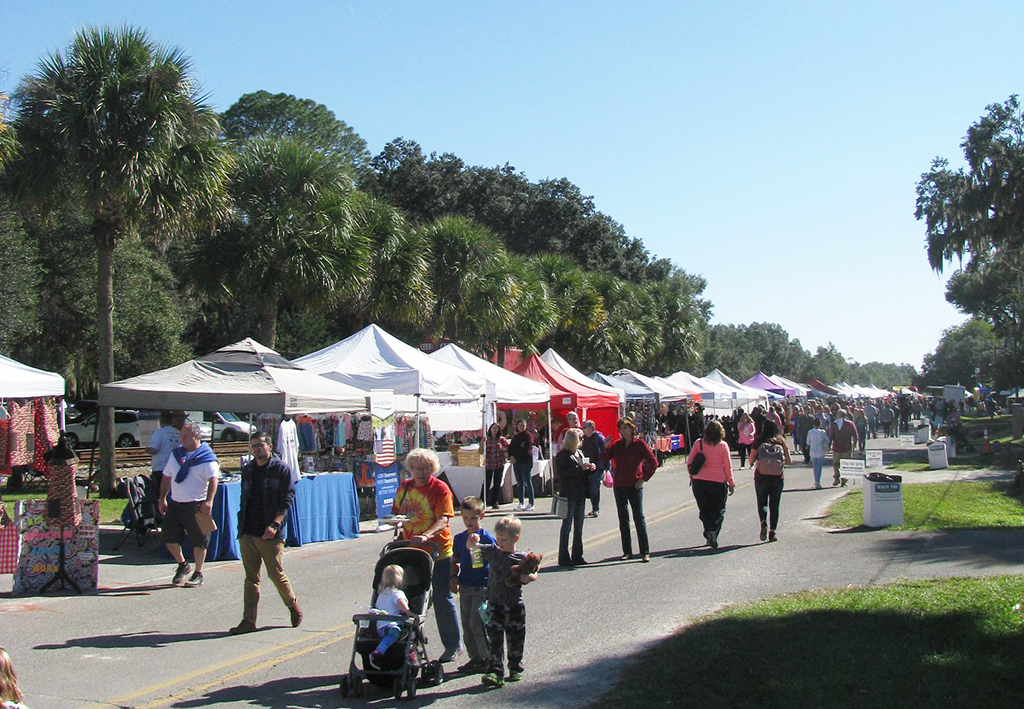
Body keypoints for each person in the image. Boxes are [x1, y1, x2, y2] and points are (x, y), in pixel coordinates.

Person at [392, 448, 462, 662]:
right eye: (417, 468)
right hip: (412, 552)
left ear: (432, 469)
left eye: (426, 468)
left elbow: (443, 520)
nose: (421, 472)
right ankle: (410, 645)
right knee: (411, 599)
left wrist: (426, 535)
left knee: (442, 598)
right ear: (410, 468)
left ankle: (453, 646)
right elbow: (398, 516)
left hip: (437, 551)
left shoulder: (440, 489)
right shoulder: (405, 487)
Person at [229, 432, 302, 635]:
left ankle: (293, 606)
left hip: (270, 532)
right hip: (248, 531)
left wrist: (275, 524)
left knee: (275, 574)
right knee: (251, 578)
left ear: (270, 446)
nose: (257, 450)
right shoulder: (249, 470)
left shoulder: (281, 469)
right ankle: (248, 620)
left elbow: (287, 498)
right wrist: (241, 529)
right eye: (253, 446)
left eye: (260, 445)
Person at [468, 515, 538, 688]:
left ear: (515, 538)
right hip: (495, 604)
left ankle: (515, 667)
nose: (500, 542)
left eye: (504, 539)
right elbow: (473, 548)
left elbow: (535, 570)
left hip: (514, 604)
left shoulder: (521, 557)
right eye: (498, 538)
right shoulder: (493, 551)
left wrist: (528, 577)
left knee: (516, 637)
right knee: (495, 638)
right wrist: (472, 541)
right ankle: (495, 671)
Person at [157, 421, 218, 588]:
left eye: (185, 436)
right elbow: (166, 477)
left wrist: (209, 501)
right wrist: (162, 498)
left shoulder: (207, 457)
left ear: (196, 436)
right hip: (176, 504)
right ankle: (183, 564)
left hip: (196, 505)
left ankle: (198, 572)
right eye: (181, 435)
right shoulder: (176, 455)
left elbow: (213, 480)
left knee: (200, 541)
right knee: (169, 538)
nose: (181, 439)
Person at [602, 414, 658, 563]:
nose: (623, 431)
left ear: (632, 429)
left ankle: (645, 551)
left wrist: (644, 478)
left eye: (625, 428)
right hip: (620, 485)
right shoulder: (618, 445)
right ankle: (627, 551)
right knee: (623, 519)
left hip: (634, 485)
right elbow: (604, 459)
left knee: (639, 518)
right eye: (621, 429)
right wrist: (606, 447)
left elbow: (653, 462)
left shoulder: (639, 444)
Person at [451, 496, 496, 674]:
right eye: (466, 518)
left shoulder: (487, 537)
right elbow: (455, 560)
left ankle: (488, 657)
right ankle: (475, 658)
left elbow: (495, 558)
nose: (469, 522)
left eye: (473, 518)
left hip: (482, 586)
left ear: (481, 516)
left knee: (477, 622)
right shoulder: (460, 538)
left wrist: (477, 548)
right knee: (467, 624)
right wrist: (453, 577)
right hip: (466, 585)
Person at [686, 419, 735, 548]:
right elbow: (727, 466)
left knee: (704, 509)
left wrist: (692, 475)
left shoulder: (699, 443)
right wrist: (731, 482)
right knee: (718, 509)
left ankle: (709, 530)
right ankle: (712, 531)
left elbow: (689, 462)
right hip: (718, 482)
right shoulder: (723, 446)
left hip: (699, 481)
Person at [554, 428, 596, 568]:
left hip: (580, 493)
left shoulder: (580, 453)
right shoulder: (562, 456)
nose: (582, 441)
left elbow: (583, 474)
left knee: (579, 525)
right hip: (568, 494)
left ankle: (577, 555)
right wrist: (580, 469)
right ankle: (563, 556)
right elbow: (563, 473)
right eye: (580, 438)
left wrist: (590, 469)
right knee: (566, 525)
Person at [748, 419, 791, 543]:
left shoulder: (759, 442)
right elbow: (789, 461)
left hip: (761, 477)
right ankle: (773, 531)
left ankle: (763, 522)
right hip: (777, 478)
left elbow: (751, 459)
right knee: (774, 505)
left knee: (762, 503)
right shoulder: (781, 441)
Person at [366, 564, 411, 669]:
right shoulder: (398, 594)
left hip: (380, 627)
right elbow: (402, 605)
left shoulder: (381, 593)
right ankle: (378, 652)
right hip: (390, 625)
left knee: (393, 631)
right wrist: (410, 613)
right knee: (395, 632)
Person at [145, 410, 184, 494]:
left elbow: (154, 450)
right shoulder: (179, 433)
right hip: (176, 468)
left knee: (160, 494)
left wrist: (146, 450)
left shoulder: (159, 432)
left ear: (160, 421)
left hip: (161, 468)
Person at [506, 419, 535, 512]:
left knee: (527, 482)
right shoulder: (516, 436)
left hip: (525, 462)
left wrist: (516, 457)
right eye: (520, 425)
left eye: (523, 425)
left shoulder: (528, 436)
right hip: (516, 463)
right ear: (517, 427)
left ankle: (531, 503)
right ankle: (521, 502)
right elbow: (511, 447)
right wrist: (511, 456)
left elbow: (526, 449)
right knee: (519, 483)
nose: (522, 427)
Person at [580, 420, 607, 517]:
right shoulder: (582, 438)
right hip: (585, 466)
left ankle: (596, 509)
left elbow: (605, 453)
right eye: (583, 427)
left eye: (585, 427)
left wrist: (606, 468)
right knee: (585, 488)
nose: (583, 429)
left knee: (594, 488)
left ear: (591, 427)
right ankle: (581, 510)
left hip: (598, 466)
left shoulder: (599, 438)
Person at [828, 409, 858, 486]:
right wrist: (854, 443)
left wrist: (829, 445)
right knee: (846, 464)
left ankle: (837, 478)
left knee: (836, 463)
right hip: (847, 447)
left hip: (837, 447)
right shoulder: (850, 424)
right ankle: (844, 480)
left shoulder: (834, 424)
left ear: (838, 415)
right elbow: (855, 435)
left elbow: (831, 436)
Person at [483, 423, 508, 509]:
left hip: (499, 463)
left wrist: (507, 454)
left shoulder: (501, 439)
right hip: (489, 464)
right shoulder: (486, 440)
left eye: (497, 428)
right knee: (486, 483)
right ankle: (483, 501)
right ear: (490, 429)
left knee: (497, 483)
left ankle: (495, 502)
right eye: (493, 428)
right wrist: (482, 443)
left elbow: (508, 448)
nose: (495, 430)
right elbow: (480, 452)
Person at [806, 417, 830, 489]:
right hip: (821, 452)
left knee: (815, 468)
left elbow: (808, 442)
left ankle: (816, 481)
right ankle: (817, 481)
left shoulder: (810, 432)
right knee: (819, 467)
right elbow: (828, 440)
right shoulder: (822, 432)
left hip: (813, 452)